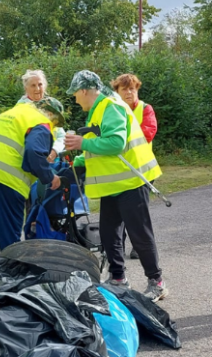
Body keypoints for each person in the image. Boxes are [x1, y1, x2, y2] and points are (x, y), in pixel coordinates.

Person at [64, 70, 167, 301]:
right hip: (114, 184)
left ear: (83, 90)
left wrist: (82, 142)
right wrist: (76, 156)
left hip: (131, 180)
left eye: (75, 94)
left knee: (140, 234)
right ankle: (117, 278)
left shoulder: (110, 106)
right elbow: (97, 149)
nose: (75, 98)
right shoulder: (98, 109)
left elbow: (116, 143)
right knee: (110, 233)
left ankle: (156, 282)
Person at [0, 97, 65, 270]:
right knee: (9, 235)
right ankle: (9, 280)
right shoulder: (41, 122)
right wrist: (50, 177)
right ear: (51, 114)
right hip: (6, 178)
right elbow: (33, 153)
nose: (54, 126)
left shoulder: (13, 113)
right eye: (55, 122)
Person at [111, 73, 157, 260]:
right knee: (118, 212)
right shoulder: (112, 110)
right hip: (119, 169)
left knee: (139, 213)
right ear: (118, 92)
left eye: (132, 88)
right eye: (125, 89)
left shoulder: (146, 109)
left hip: (142, 169)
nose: (129, 92)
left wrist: (118, 140)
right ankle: (117, 246)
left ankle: (140, 247)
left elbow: (148, 132)